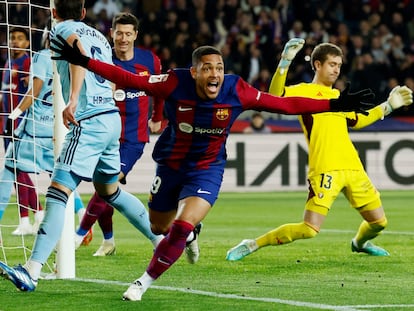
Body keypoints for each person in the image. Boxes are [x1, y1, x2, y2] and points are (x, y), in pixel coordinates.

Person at [44, 33, 377, 301]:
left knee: (181, 225)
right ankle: (189, 235)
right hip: (172, 165)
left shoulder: (237, 89)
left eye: (218, 67)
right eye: (207, 68)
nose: (214, 74)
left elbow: (285, 104)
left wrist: (334, 103)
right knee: (160, 226)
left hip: (208, 168)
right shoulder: (174, 83)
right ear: (194, 72)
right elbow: (130, 79)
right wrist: (86, 62)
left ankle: (143, 282)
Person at [0, 0, 162, 292]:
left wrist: (74, 99)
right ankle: (160, 242)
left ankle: (31, 270)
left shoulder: (62, 29)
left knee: (58, 191)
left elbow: (78, 55)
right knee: (109, 191)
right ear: (84, 12)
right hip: (111, 119)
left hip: (88, 120)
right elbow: (109, 75)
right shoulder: (99, 35)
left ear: (53, 11)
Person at [226, 40, 413, 262]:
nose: (336, 69)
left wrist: (388, 106)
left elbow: (358, 120)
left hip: (353, 168)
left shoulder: (339, 97)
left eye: (339, 65)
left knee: (379, 223)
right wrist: (284, 62)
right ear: (317, 64)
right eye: (332, 64)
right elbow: (275, 98)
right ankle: (252, 244)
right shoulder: (303, 91)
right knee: (309, 229)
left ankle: (359, 243)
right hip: (325, 169)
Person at [74, 12, 165, 257]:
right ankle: (109, 240)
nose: (123, 38)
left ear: (135, 35)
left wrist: (157, 118)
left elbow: (160, 91)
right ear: (111, 34)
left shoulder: (150, 61)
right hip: (104, 133)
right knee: (103, 188)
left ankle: (80, 233)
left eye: (128, 33)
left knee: (107, 184)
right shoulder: (103, 59)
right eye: (119, 33)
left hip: (133, 139)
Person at [0, 29, 86, 236]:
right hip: (56, 129)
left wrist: (14, 114)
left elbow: (34, 92)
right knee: (60, 176)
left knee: (10, 170)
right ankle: (83, 216)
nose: (15, 42)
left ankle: (27, 217)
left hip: (33, 129)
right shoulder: (71, 61)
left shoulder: (40, 57)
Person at [0, 26, 43, 235]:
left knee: (19, 171)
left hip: (22, 126)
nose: (15, 42)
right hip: (7, 126)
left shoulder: (28, 62)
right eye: (12, 38)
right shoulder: (8, 63)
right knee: (18, 173)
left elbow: (37, 88)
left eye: (19, 38)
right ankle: (27, 220)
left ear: (27, 43)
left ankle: (37, 214)